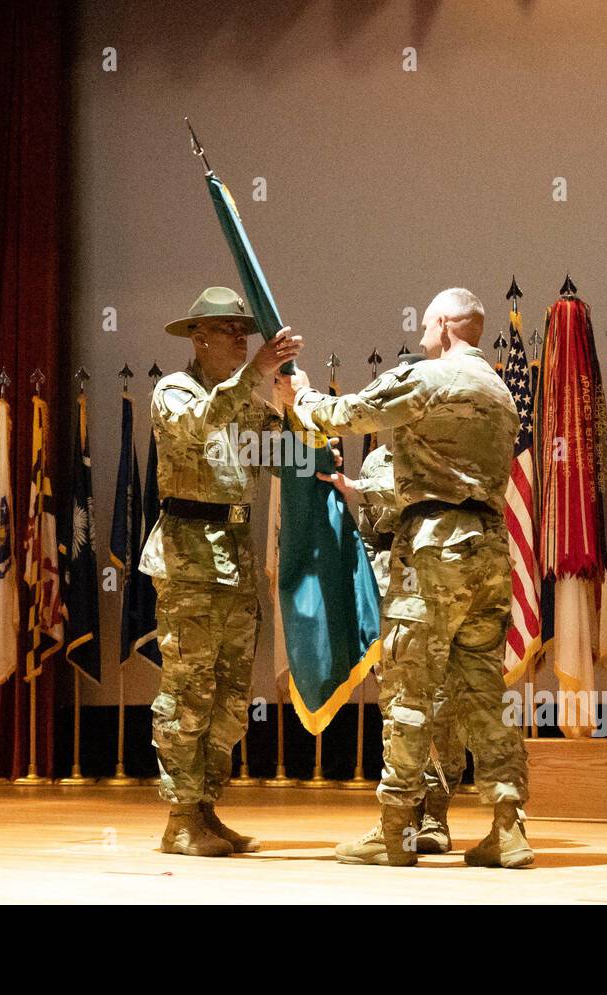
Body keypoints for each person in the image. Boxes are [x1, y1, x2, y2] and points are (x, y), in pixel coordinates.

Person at [277, 287, 532, 868]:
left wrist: (302, 396)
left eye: (424, 325)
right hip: (491, 553)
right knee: (484, 696)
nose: (420, 336)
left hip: (432, 550)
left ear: (444, 325)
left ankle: (394, 830)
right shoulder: (501, 393)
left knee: (409, 691)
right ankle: (508, 827)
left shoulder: (430, 378)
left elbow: (353, 414)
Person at [139, 286, 303, 857]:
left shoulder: (246, 397)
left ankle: (206, 807)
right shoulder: (175, 391)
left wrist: (293, 394)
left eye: (245, 329)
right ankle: (179, 817)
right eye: (229, 329)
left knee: (229, 697)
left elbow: (290, 440)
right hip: (189, 560)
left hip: (233, 553)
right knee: (187, 692)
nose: (241, 336)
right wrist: (258, 372)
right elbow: (205, 423)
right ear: (199, 338)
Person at [321, 438, 466, 858]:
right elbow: (366, 536)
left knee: (441, 705)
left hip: (434, 587)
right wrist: (369, 592)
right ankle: (403, 819)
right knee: (398, 705)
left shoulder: (441, 451)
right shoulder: (376, 459)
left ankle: (436, 816)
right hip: (390, 594)